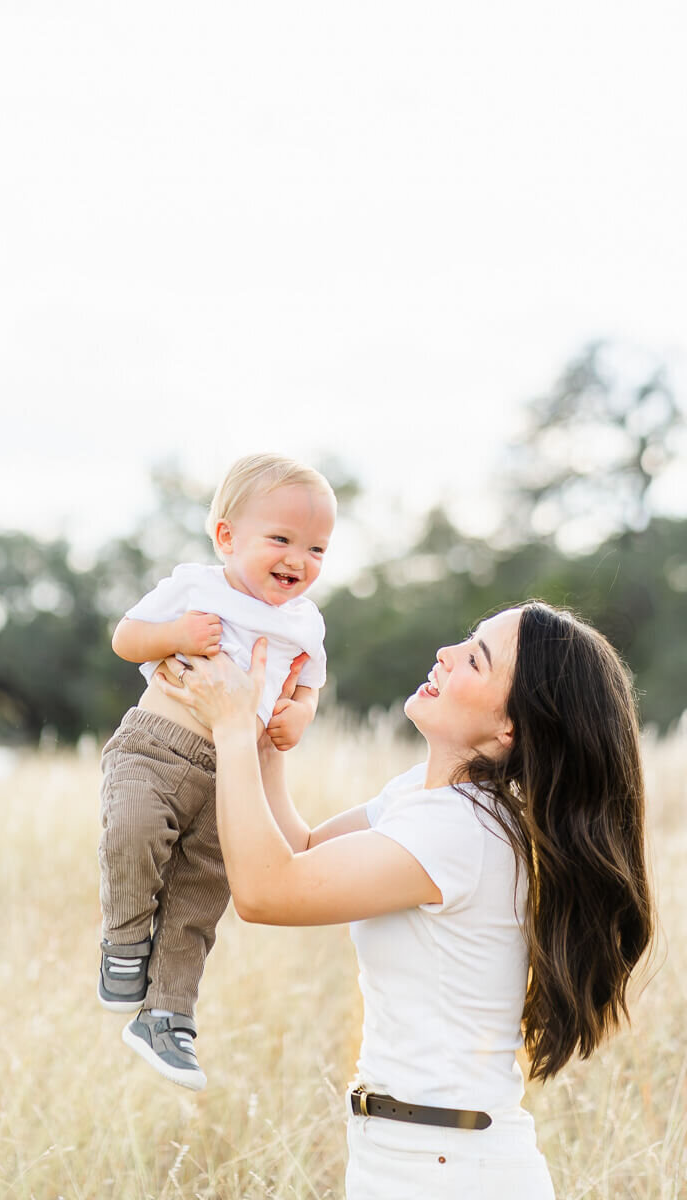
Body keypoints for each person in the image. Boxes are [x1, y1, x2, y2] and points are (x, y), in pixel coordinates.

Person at [154, 601, 654, 1198]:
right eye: (465, 637)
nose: (445, 655)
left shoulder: (463, 829)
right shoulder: (424, 799)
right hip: (409, 1155)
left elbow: (267, 892)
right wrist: (265, 740)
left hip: (449, 1168)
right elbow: (305, 849)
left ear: (510, 727)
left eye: (475, 658)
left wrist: (232, 728)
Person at [97, 454, 336, 1090]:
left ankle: (168, 1017)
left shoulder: (305, 622)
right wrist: (174, 631)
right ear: (228, 537)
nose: (298, 559)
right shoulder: (195, 587)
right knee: (133, 831)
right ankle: (123, 941)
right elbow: (126, 639)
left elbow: (308, 684)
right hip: (159, 747)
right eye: (281, 539)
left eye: (316, 548)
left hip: (234, 779)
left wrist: (300, 715)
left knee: (202, 896)